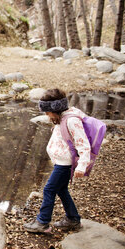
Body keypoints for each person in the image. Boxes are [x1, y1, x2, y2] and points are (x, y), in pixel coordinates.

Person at [23, 88, 91, 233]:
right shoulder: (62, 118)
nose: (47, 115)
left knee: (49, 189)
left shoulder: (71, 120)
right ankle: (73, 219)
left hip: (64, 164)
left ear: (56, 109)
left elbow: (83, 143)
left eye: (47, 112)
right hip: (60, 162)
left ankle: (43, 222)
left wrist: (82, 165)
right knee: (61, 190)